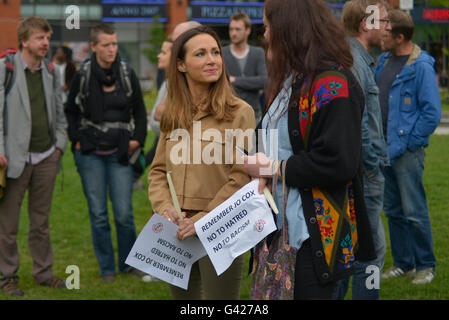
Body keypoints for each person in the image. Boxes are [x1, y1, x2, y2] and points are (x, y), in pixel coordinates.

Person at [243, 0, 376, 299]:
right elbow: (274, 139)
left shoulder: (332, 84)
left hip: (311, 242)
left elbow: (339, 162)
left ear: (288, 29)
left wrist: (273, 169)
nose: (263, 35)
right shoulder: (291, 80)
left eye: (266, 27)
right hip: (279, 233)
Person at [148, 26, 256, 299]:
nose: (212, 60)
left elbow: (241, 177)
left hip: (220, 227)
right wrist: (165, 208)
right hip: (175, 228)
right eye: (201, 54)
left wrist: (204, 220)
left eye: (215, 52)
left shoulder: (240, 113)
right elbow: (159, 170)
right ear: (181, 65)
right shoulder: (173, 110)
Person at [66, 23, 147, 282]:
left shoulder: (126, 72)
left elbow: (140, 111)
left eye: (114, 43)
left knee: (124, 213)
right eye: (106, 45)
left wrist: (137, 140)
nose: (112, 49)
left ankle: (128, 264)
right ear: (94, 47)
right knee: (99, 214)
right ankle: (106, 269)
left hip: (120, 151)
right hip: (90, 152)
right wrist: (76, 139)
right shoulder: (83, 74)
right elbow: (70, 111)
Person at [0, 16, 68, 296]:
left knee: (41, 223)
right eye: (40, 38)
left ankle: (43, 272)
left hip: (46, 158)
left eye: (47, 38)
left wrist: (59, 146)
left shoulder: (51, 71)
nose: (46, 43)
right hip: (13, 160)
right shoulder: (5, 68)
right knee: (7, 225)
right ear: (24, 40)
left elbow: (60, 113)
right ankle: (7, 277)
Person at [375, 10, 441, 284]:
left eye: (387, 33)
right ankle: (404, 264)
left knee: (414, 210)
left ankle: (426, 265)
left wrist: (410, 143)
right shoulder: (382, 60)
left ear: (400, 37)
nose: (381, 35)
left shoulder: (421, 66)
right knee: (393, 210)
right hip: (384, 150)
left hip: (407, 154)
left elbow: (431, 113)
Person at [333, 0, 390, 300]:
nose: (388, 27)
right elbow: (358, 128)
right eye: (382, 21)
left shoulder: (356, 59)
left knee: (350, 251)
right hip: (364, 175)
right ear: (365, 24)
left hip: (359, 173)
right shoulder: (355, 63)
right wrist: (371, 167)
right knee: (370, 253)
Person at [223, 12, 268, 122]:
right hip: (229, 114)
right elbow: (223, 83)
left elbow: (263, 81)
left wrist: (234, 80)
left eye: (238, 29)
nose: (233, 33)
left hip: (254, 113)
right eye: (231, 29)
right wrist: (251, 83)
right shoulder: (222, 53)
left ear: (248, 30)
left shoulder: (257, 52)